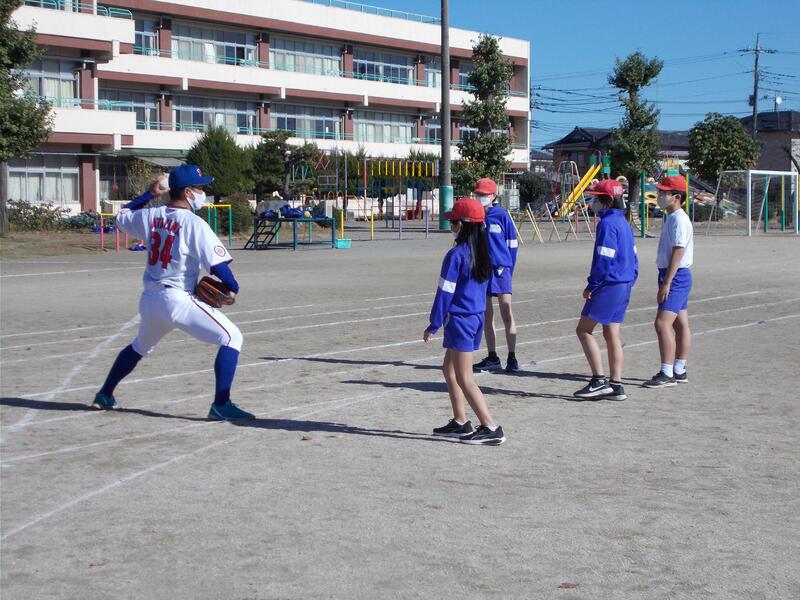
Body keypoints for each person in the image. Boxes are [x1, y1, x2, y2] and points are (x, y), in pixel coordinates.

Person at [92, 164, 254, 421]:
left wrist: (148, 194)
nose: (203, 192)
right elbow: (217, 265)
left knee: (140, 346)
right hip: (178, 300)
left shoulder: (151, 215)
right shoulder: (194, 223)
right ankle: (221, 404)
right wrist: (233, 288)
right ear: (188, 192)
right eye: (200, 188)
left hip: (150, 300)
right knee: (232, 337)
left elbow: (122, 215)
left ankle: (105, 394)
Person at [424, 197, 506, 446]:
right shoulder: (482, 254)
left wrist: (434, 323)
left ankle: (491, 426)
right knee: (448, 370)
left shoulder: (456, 255)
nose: (452, 225)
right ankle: (460, 421)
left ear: (463, 225)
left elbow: (445, 292)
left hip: (460, 319)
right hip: (475, 317)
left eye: (454, 221)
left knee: (464, 377)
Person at [573, 179, 638, 400]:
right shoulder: (624, 222)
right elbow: (633, 257)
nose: (593, 202)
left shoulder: (608, 224)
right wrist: (630, 279)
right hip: (624, 282)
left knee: (583, 330)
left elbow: (604, 257)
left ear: (607, 200)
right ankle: (616, 384)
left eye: (596, 198)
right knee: (612, 332)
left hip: (610, 283)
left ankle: (598, 380)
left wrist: (593, 285)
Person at [644, 174, 693, 388]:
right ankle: (679, 369)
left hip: (676, 275)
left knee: (662, 323)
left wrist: (667, 282)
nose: (660, 195)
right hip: (674, 274)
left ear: (676, 196)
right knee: (681, 324)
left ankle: (667, 372)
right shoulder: (672, 218)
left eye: (664, 192)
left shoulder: (679, 219)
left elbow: (678, 252)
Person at [471, 178, 521, 373]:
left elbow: (512, 245)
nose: (480, 198)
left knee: (506, 313)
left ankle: (512, 357)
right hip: (483, 270)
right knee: (486, 315)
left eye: (483, 195)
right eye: (478, 194)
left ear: (493, 196)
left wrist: (509, 268)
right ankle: (492, 356)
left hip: (501, 271)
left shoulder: (502, 216)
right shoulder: (477, 217)